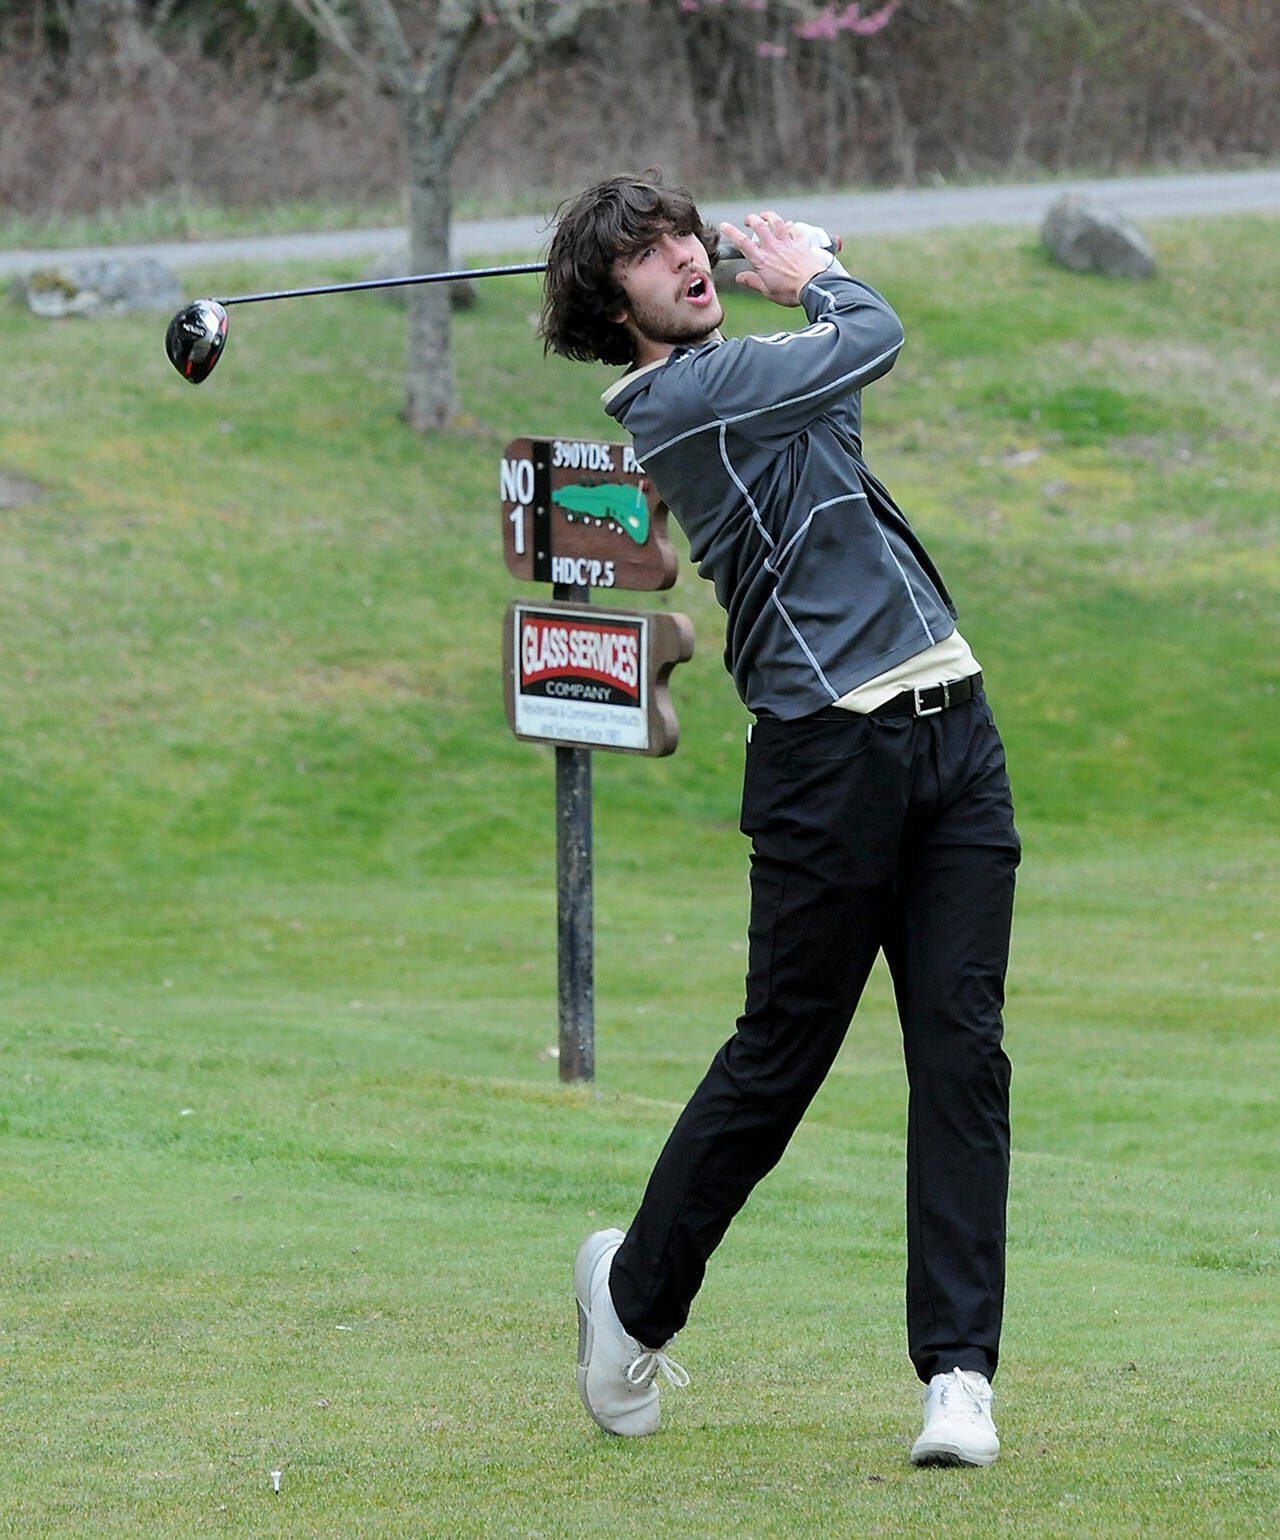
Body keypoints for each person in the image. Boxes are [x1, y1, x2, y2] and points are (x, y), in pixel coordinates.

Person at [540, 173, 1020, 1468]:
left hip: (950, 720)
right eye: (646, 256)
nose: (684, 258)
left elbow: (837, 387)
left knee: (962, 1054)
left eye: (684, 236)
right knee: (781, 1060)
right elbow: (870, 340)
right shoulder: (673, 400)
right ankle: (630, 1300)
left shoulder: (751, 367)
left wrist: (813, 278)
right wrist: (813, 276)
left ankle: (959, 1378)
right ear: (611, 303)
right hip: (828, 758)